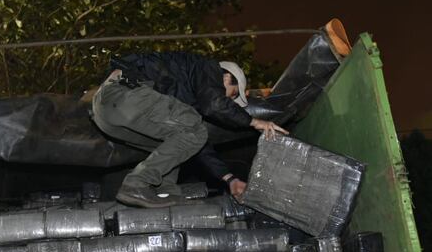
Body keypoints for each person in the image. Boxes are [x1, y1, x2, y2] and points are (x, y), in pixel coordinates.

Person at [91, 51, 288, 208]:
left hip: (106, 113)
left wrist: (230, 180)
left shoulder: (183, 95)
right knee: (195, 128)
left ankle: (164, 194)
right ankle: (137, 184)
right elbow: (214, 105)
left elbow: (198, 145)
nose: (227, 100)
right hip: (125, 93)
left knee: (179, 142)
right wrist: (254, 122)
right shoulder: (208, 67)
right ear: (227, 77)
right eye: (232, 94)